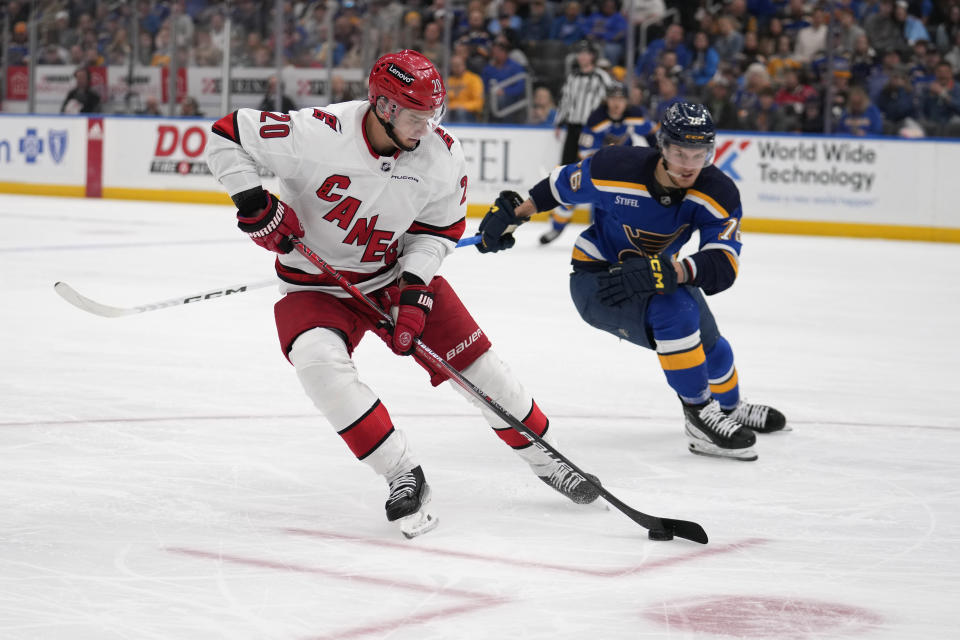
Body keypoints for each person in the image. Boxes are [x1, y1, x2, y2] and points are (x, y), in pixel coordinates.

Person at [205, 50, 600, 538]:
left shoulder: (441, 153)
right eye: (418, 116)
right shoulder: (317, 133)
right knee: (317, 364)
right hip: (313, 284)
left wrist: (415, 292)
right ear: (384, 108)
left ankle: (549, 459)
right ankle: (401, 473)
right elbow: (226, 134)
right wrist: (253, 201)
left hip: (393, 276)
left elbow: (437, 232)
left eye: (435, 115)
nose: (428, 127)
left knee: (481, 368)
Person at [474, 102, 786, 462]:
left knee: (714, 348)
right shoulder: (615, 167)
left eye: (699, 154)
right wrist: (515, 214)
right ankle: (700, 416)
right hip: (599, 279)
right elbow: (561, 186)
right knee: (678, 311)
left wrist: (672, 271)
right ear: (662, 147)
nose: (688, 164)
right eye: (679, 152)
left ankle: (730, 408)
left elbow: (723, 263)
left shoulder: (719, 192)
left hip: (657, 276)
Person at [541, 40, 612, 245]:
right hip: (573, 128)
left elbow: (611, 99)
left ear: (593, 56)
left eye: (586, 53)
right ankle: (559, 219)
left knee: (594, 172)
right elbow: (566, 100)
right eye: (579, 53)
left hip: (593, 130)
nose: (582, 57)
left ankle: (597, 221)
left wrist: (606, 124)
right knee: (566, 171)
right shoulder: (573, 76)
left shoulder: (601, 77)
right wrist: (559, 121)